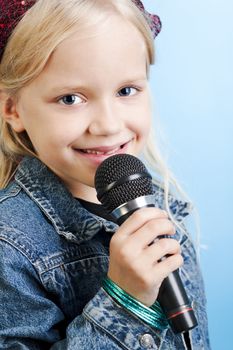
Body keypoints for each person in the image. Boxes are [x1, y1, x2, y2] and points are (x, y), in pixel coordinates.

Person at [0, 0, 210, 349]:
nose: (109, 125)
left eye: (126, 91)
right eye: (70, 99)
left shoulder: (165, 204)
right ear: (12, 108)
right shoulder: (10, 247)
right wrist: (124, 301)